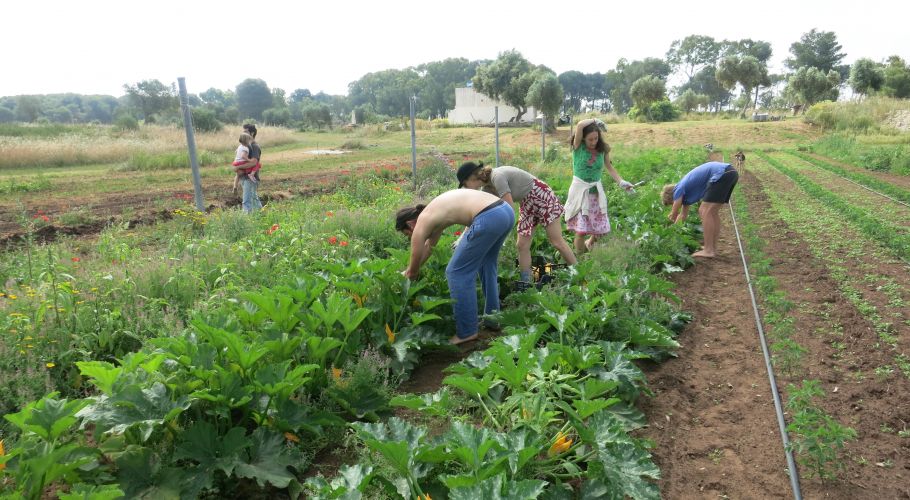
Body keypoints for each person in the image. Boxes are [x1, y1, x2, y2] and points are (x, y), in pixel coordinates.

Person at [396, 189, 514, 345]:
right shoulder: (432, 215)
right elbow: (429, 247)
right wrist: (411, 270)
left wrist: (407, 275)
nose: (410, 237)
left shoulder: (422, 222)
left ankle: (467, 332)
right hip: (505, 210)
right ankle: (493, 319)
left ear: (410, 224)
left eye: (407, 234)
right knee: (487, 264)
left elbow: (413, 267)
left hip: (488, 215)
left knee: (456, 272)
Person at [456, 161, 577, 285]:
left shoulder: (497, 177)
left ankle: (578, 275)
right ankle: (527, 283)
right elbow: (477, 213)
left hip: (541, 195)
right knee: (522, 245)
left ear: (472, 177)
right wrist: (461, 238)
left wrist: (500, 234)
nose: (466, 188)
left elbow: (509, 208)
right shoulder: (486, 188)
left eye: (465, 184)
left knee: (556, 241)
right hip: (527, 203)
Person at [565, 118, 634, 254]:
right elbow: (579, 125)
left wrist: (621, 182)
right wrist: (594, 120)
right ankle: (581, 258)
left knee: (600, 229)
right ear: (583, 138)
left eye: (596, 138)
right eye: (590, 139)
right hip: (580, 193)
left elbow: (609, 167)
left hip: (595, 193)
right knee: (581, 231)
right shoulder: (578, 147)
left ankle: (590, 244)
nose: (593, 142)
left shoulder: (603, 149)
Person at [661, 161, 740, 258]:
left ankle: (708, 250)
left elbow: (674, 214)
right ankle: (712, 248)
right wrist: (675, 231)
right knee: (712, 213)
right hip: (730, 173)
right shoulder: (685, 195)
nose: (674, 204)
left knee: (704, 210)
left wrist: (666, 232)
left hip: (722, 173)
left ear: (672, 198)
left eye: (672, 203)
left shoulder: (678, 189)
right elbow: (682, 216)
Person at [233, 123, 263, 213]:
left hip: (249, 178)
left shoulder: (254, 146)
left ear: (252, 133)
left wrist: (238, 166)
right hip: (244, 177)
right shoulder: (245, 146)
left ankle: (246, 219)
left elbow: (254, 162)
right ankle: (261, 215)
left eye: (246, 132)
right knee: (253, 198)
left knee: (246, 201)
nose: (244, 134)